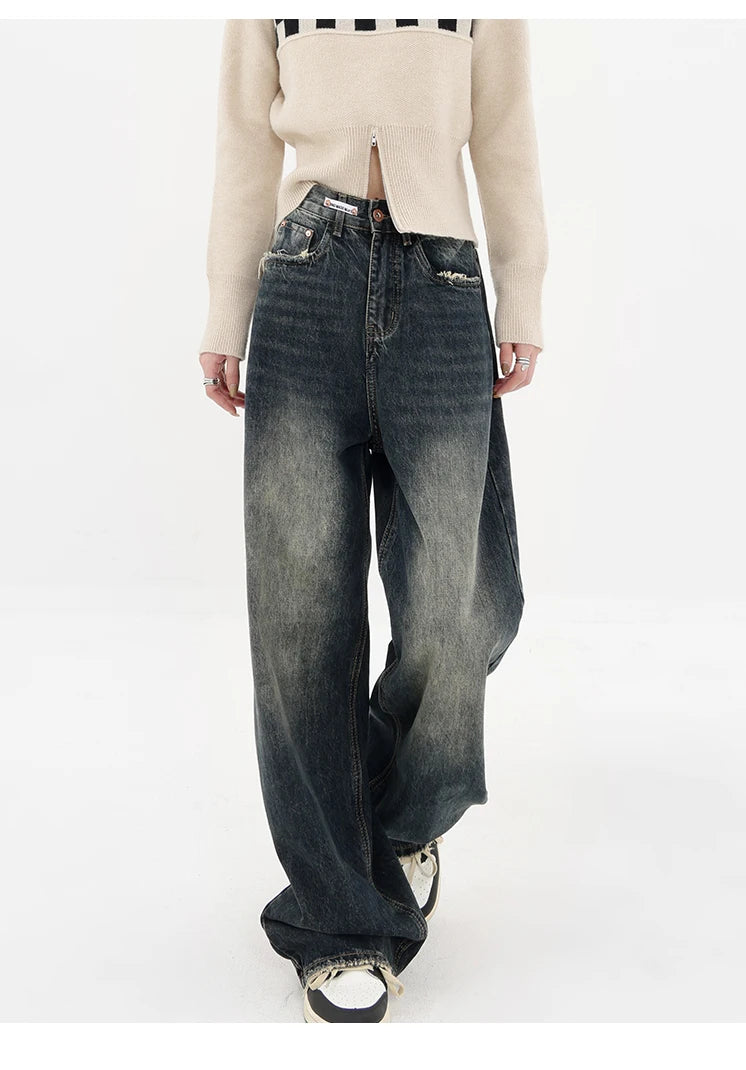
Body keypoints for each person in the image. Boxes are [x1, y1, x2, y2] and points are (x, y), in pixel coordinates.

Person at [198, 18, 547, 1024]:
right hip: (303, 282)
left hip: (442, 285)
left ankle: (392, 817)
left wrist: (521, 293)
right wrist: (225, 310)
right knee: (302, 624)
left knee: (466, 608)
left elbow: (504, 129)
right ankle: (339, 918)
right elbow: (245, 138)